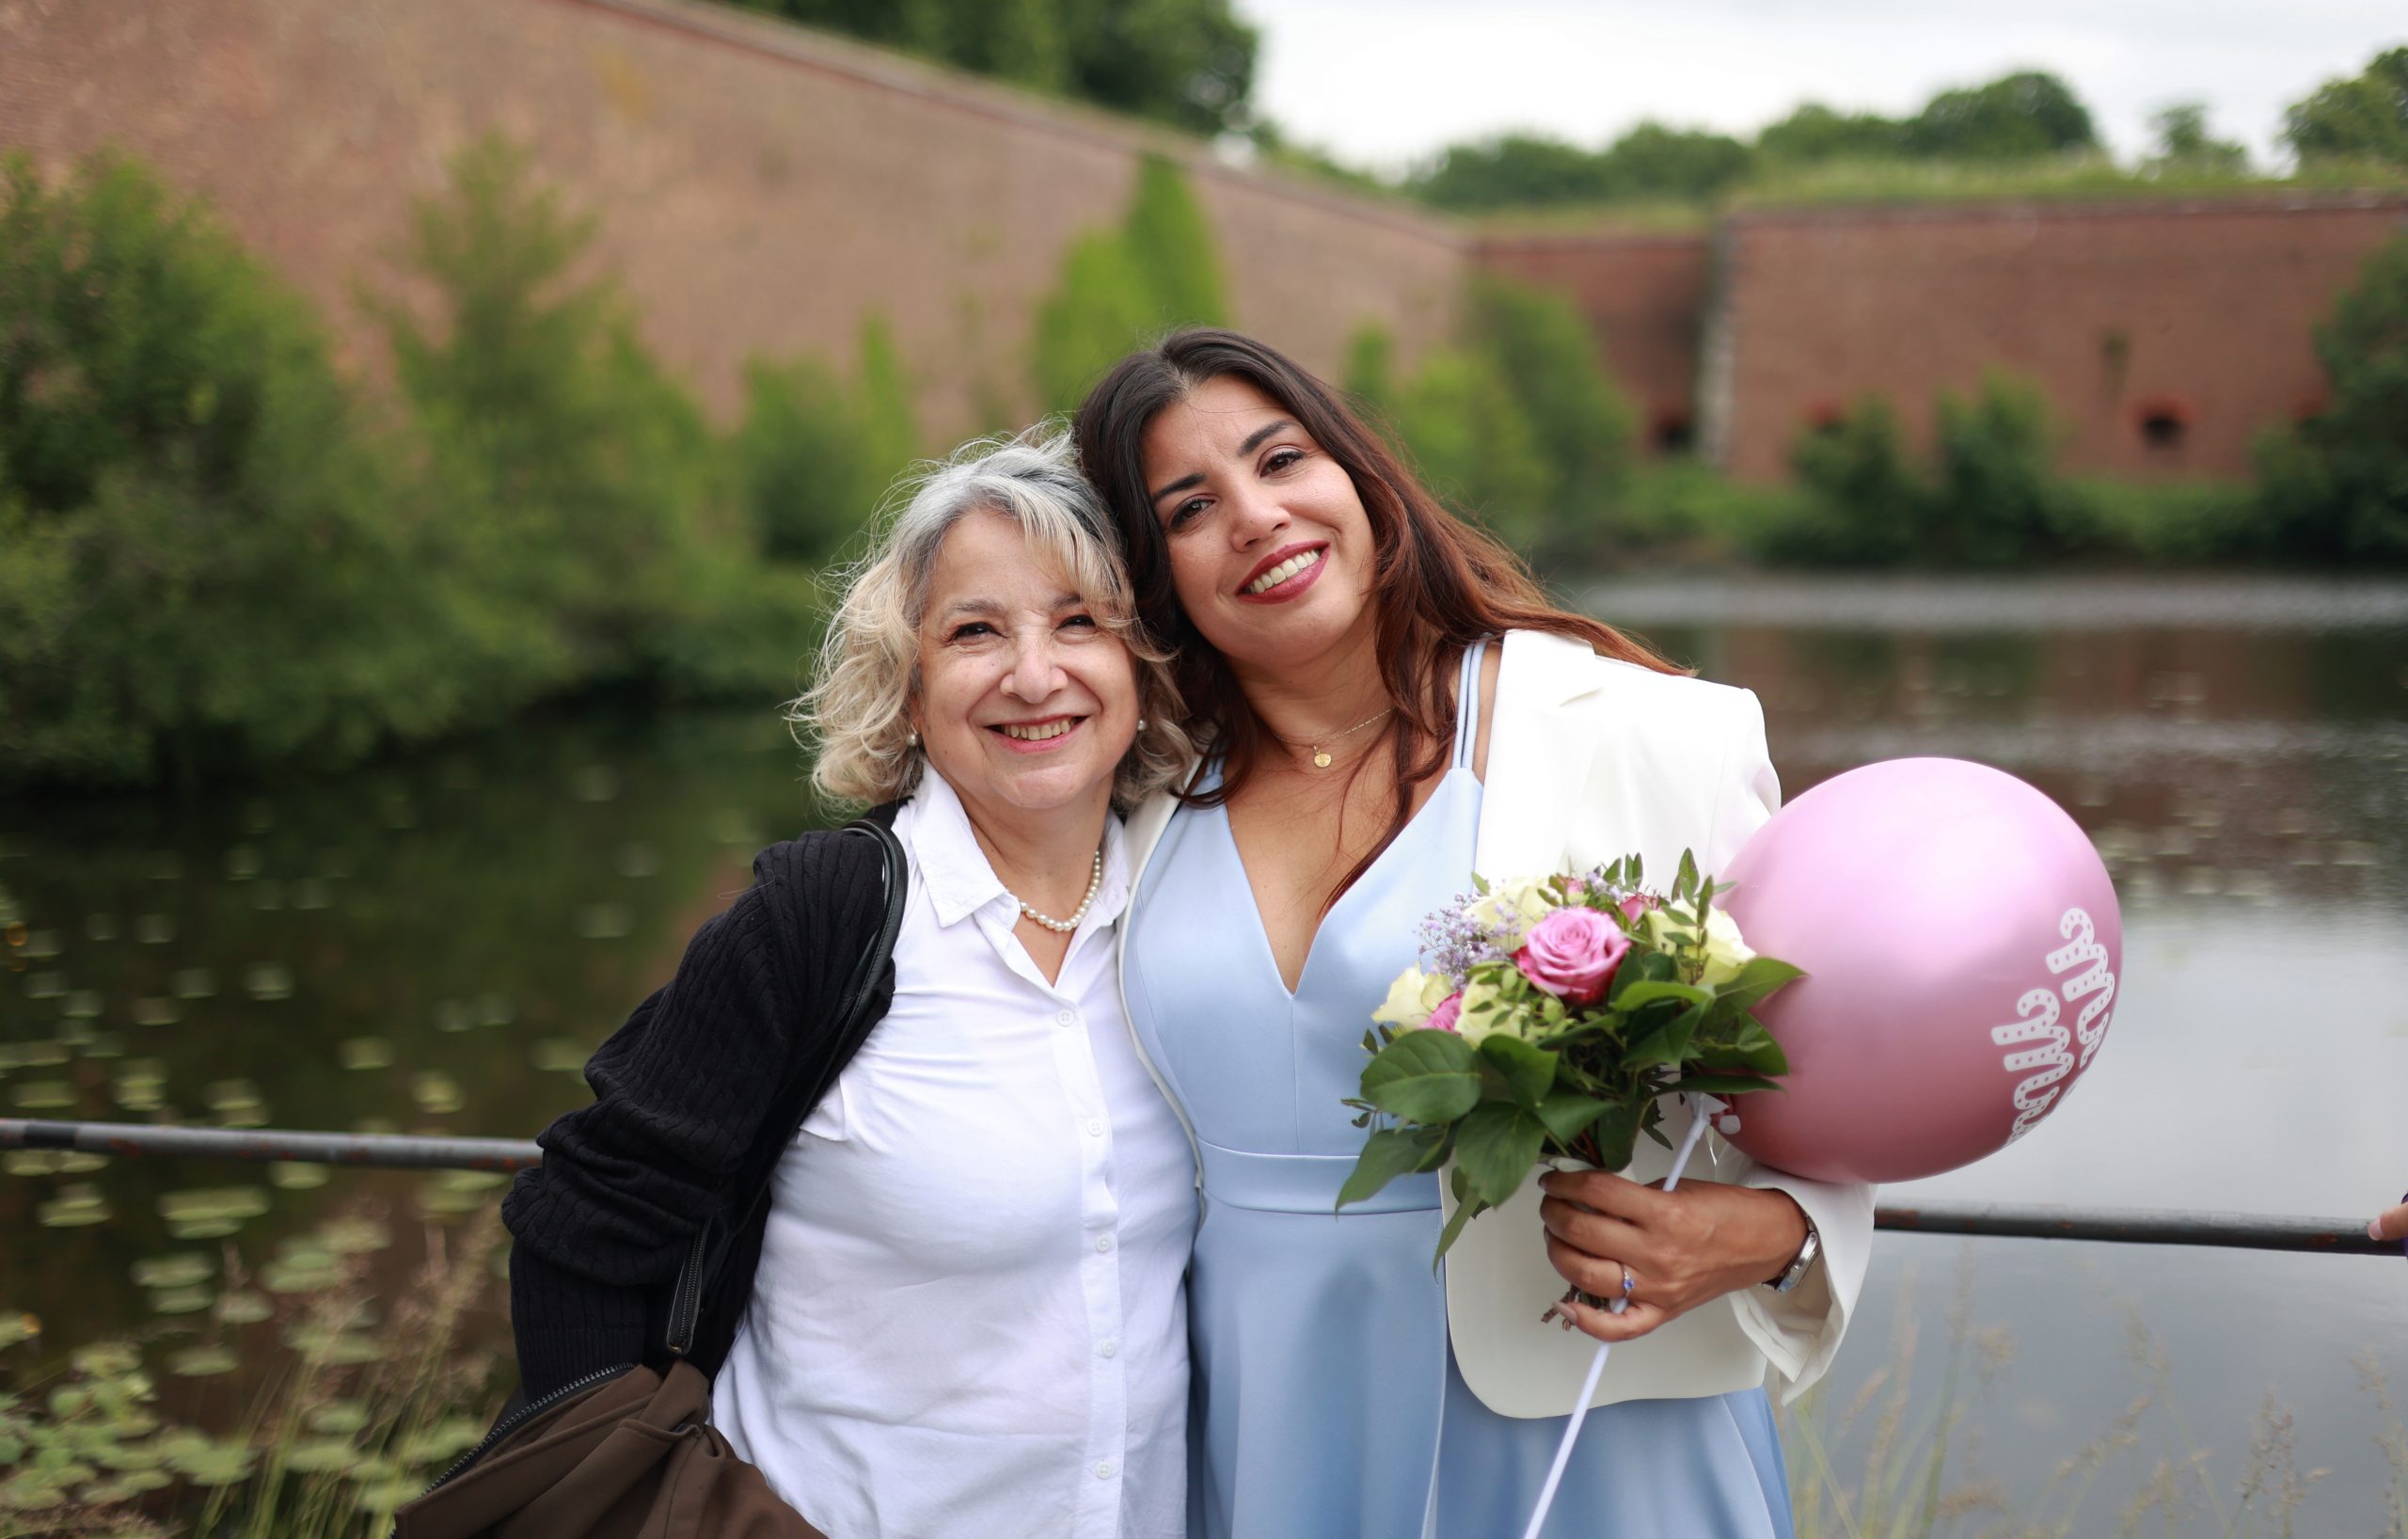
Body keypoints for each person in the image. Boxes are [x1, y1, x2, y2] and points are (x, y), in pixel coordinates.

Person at [1072, 330, 1875, 1539]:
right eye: (1189, 507)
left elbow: (1829, 1078)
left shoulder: (1641, 736)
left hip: (1583, 1416)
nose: (1254, 516)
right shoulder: (1127, 799)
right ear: (1148, 572)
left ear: (1358, 476)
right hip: (1256, 1413)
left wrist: (1772, 1237)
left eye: (1280, 460)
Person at [500, 429, 1201, 1539]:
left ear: (1145, 668)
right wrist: (642, 1507)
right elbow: (579, 1227)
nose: (1034, 675)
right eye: (975, 631)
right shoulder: (823, 919)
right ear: (908, 688)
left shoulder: (1194, 911)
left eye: (1079, 622)